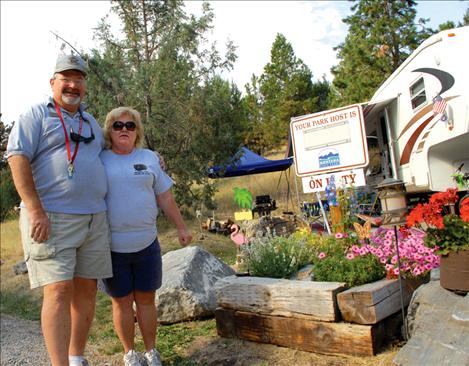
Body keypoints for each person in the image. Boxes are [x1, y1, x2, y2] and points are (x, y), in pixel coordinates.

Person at [6, 54, 112, 366]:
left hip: (94, 219)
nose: (73, 85)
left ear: (85, 87)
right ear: (52, 82)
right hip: (51, 217)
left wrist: (149, 157)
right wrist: (35, 209)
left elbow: (115, 151)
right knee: (59, 291)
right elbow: (17, 157)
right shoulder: (35, 116)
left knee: (87, 290)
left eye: (79, 79)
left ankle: (76, 357)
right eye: (66, 78)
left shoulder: (90, 122)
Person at [100, 106, 192, 366]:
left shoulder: (150, 158)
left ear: (137, 130)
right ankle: (130, 353)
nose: (124, 130)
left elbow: (165, 196)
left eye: (130, 125)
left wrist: (182, 227)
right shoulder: (99, 158)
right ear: (109, 130)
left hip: (147, 244)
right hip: (112, 246)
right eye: (118, 125)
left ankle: (151, 352)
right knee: (121, 302)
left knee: (146, 300)